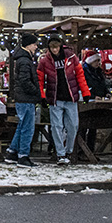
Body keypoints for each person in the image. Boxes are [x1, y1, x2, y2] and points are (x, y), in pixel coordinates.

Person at [37, 34, 91, 165]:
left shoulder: (72, 57)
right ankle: (61, 154)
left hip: (70, 97)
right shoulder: (44, 61)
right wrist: (42, 96)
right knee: (57, 126)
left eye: (56, 47)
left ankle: (68, 150)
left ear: (60, 46)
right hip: (55, 98)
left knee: (73, 125)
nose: (54, 50)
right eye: (51, 47)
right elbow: (40, 80)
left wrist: (85, 92)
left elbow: (80, 75)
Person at [5, 34, 41, 168]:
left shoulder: (21, 59)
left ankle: (12, 152)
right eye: (34, 44)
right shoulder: (25, 61)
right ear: (28, 45)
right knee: (27, 128)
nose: (36, 47)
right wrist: (36, 92)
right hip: (26, 98)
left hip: (22, 97)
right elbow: (25, 81)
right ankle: (23, 156)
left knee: (22, 126)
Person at [81, 52, 109, 153]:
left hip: (96, 104)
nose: (98, 63)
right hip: (86, 103)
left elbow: (103, 85)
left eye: (98, 60)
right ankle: (82, 150)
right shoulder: (84, 71)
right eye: (96, 61)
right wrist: (92, 96)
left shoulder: (99, 72)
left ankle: (90, 150)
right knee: (83, 127)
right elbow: (83, 86)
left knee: (93, 127)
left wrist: (107, 93)